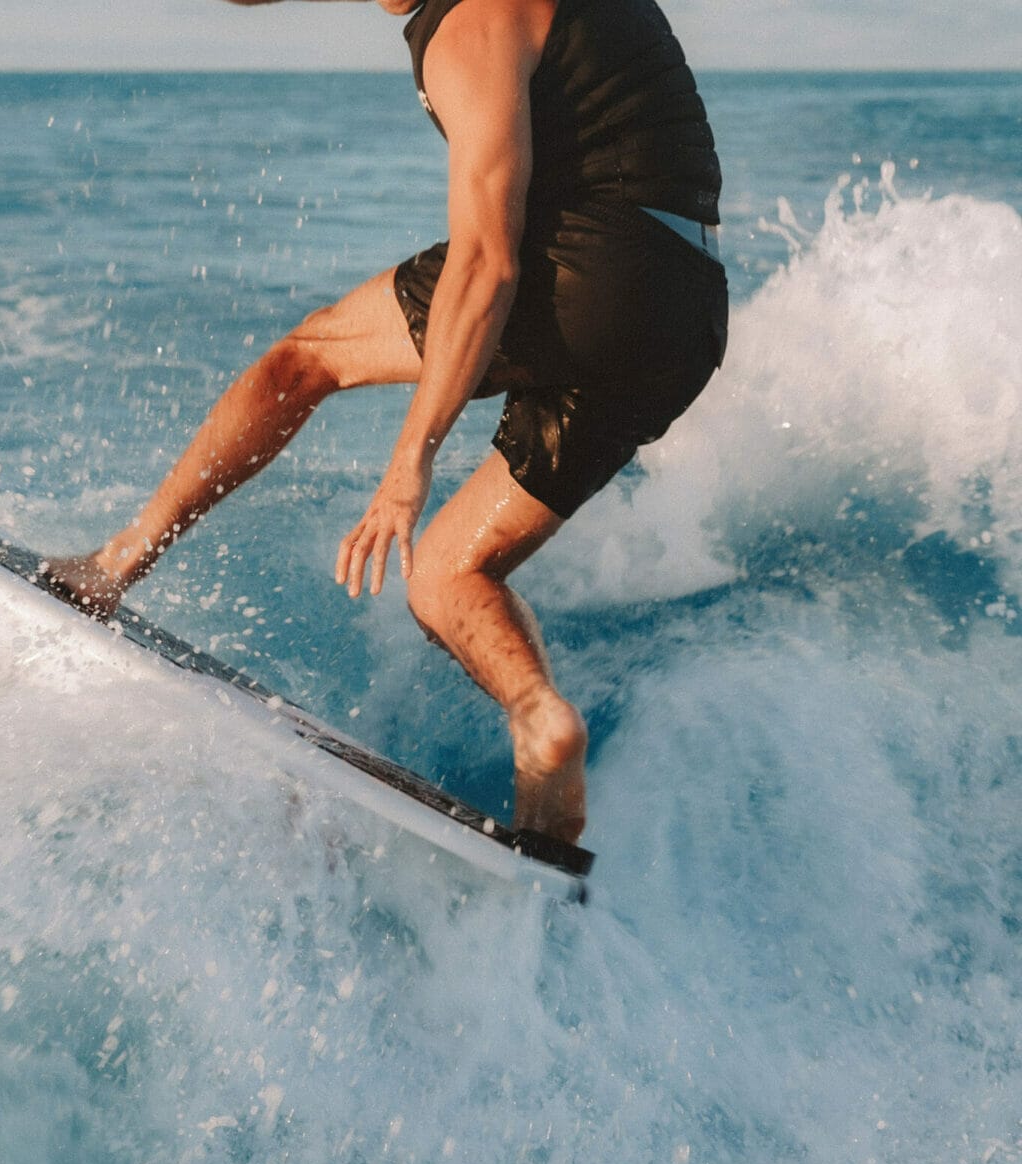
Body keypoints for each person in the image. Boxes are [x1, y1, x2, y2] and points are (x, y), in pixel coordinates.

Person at [45, 0, 727, 844]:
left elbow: (488, 259)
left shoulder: (470, 24)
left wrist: (411, 460)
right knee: (446, 577)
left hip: (592, 263)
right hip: (688, 312)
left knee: (302, 362)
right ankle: (541, 734)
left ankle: (114, 566)